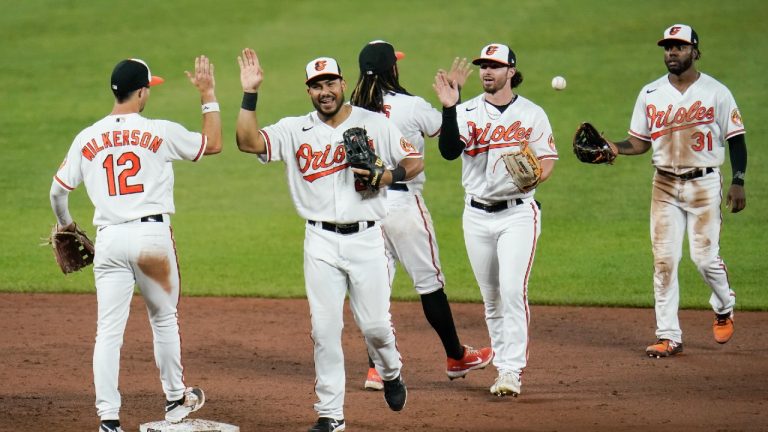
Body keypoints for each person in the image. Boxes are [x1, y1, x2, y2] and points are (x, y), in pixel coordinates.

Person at [235, 48, 422, 432]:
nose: (324, 91)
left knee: (375, 327)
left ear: (343, 84)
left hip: (367, 240)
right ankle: (330, 414)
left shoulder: (375, 123)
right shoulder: (293, 129)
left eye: (330, 83)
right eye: (316, 85)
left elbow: (415, 160)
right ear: (309, 91)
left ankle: (391, 371)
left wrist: (386, 177)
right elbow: (247, 141)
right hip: (319, 242)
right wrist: (250, 94)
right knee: (324, 330)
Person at [49, 57, 222, 432]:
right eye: (149, 88)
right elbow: (213, 144)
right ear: (141, 92)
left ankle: (108, 420)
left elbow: (57, 192)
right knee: (163, 318)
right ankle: (175, 399)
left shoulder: (87, 136)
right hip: (151, 240)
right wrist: (208, 96)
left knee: (108, 332)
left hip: (108, 241)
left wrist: (67, 226)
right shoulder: (158, 130)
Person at [590, 24, 747, 358]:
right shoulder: (650, 93)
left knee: (704, 259)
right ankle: (668, 335)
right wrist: (613, 148)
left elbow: (736, 138)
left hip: (704, 183)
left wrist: (738, 180)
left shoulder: (717, 92)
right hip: (663, 183)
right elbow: (638, 142)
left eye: (679, 47)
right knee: (664, 260)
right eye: (668, 48)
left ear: (694, 50)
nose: (672, 53)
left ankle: (723, 304)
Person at [349, 40, 493, 391]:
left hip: (363, 209)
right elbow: (451, 138)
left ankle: (376, 369)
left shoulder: (348, 110)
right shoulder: (410, 106)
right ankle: (456, 356)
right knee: (429, 284)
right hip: (402, 206)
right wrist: (454, 98)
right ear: (392, 69)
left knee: (375, 289)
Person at [433, 43, 558, 397]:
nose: (486, 71)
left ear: (511, 71)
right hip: (475, 215)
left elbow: (547, 160)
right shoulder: (467, 111)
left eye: (494, 66)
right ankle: (503, 362)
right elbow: (448, 151)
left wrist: (536, 178)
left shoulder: (533, 113)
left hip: (518, 213)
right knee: (491, 298)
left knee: (512, 290)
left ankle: (510, 370)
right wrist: (449, 108)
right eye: (483, 66)